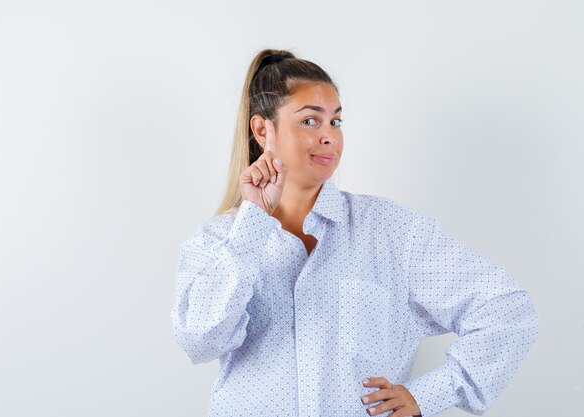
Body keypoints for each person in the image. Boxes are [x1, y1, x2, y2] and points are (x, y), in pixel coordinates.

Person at [170, 48, 538, 417]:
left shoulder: (393, 231)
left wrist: (428, 394)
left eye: (336, 122)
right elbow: (199, 341)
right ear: (263, 129)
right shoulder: (217, 241)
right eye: (311, 121)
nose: (329, 136)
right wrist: (253, 222)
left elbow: (506, 307)